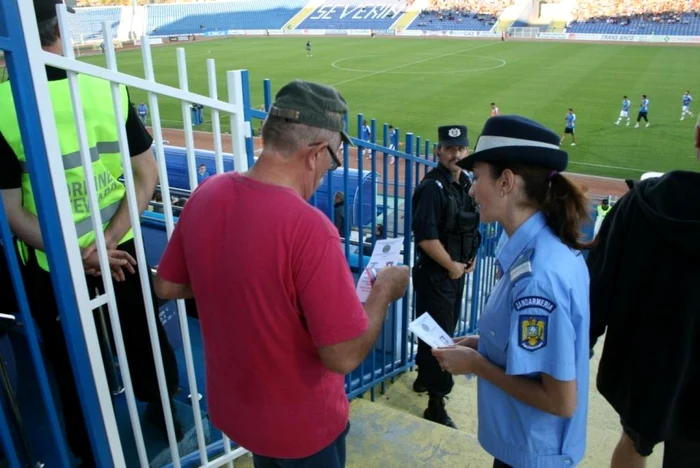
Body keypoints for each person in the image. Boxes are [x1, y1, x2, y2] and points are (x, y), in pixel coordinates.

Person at [154, 79, 409, 468]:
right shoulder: (309, 228)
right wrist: (384, 292)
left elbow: (168, 283)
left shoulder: (208, 192)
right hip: (303, 428)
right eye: (334, 159)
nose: (329, 169)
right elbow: (342, 355)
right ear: (316, 153)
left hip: (238, 412)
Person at [0, 1, 181, 464]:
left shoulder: (3, 107)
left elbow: (10, 210)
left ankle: (86, 449)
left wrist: (74, 254)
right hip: (119, 251)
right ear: (59, 27)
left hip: (51, 265)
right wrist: (106, 242)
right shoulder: (107, 89)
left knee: (69, 358)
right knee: (142, 336)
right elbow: (146, 176)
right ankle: (165, 411)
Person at [433, 115, 591, 468]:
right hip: (527, 447)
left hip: (534, 453)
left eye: (478, 178)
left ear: (506, 181)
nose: (472, 190)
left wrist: (478, 364)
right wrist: (483, 344)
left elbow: (561, 401)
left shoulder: (539, 277)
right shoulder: (541, 248)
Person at [586, 171, 700, 468]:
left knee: (636, 440)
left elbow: (598, 285)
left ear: (698, 138)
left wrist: (580, 347)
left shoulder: (641, 201)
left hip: (645, 366)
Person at [410, 124, 481, 428]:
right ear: (438, 151)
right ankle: (436, 403)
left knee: (435, 332)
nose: (455, 154)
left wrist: (470, 258)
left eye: (461, 149)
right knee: (441, 338)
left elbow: (469, 227)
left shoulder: (464, 183)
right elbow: (425, 238)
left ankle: (425, 379)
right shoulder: (431, 188)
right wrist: (452, 266)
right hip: (437, 275)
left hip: (455, 272)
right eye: (449, 149)